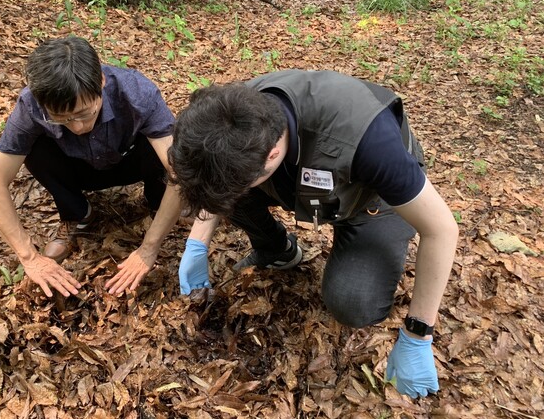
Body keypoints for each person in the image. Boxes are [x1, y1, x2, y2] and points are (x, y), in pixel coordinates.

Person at [168, 70, 458, 399]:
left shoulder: (369, 140)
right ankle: (277, 250)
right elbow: (212, 182)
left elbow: (441, 229)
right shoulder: (229, 116)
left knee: (353, 304)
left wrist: (418, 335)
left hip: (372, 200)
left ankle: (361, 252)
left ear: (271, 156)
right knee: (227, 192)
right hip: (302, 186)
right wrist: (196, 243)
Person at [0, 36, 183, 299]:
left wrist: (149, 248)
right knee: (33, 149)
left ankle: (159, 204)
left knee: (167, 150)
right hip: (78, 168)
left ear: (100, 82)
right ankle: (78, 213)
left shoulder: (137, 92)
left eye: (85, 113)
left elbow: (181, 172)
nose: (77, 127)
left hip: (129, 161)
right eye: (61, 118)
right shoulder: (30, 104)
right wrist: (30, 257)